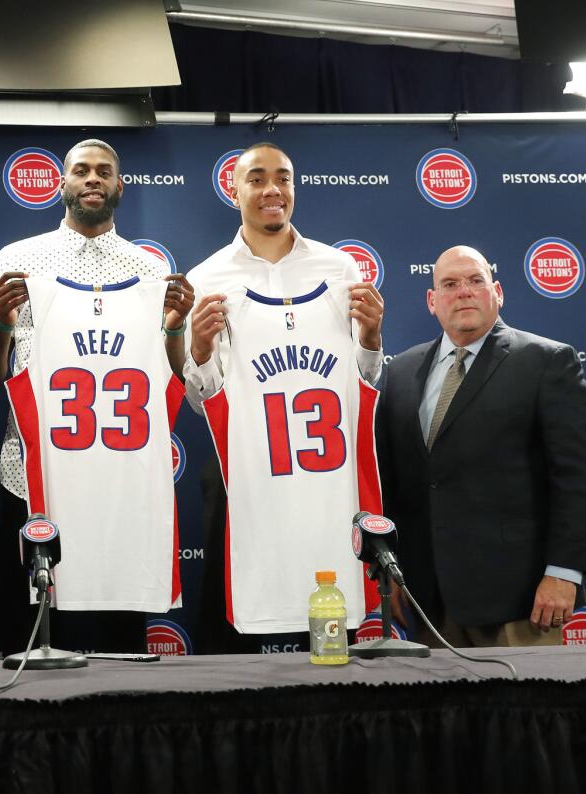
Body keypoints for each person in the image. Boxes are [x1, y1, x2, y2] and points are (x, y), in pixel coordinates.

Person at [0, 138, 195, 654]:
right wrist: (4, 324)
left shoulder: (147, 270)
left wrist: (174, 328)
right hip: (33, 481)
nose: (92, 178)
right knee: (31, 650)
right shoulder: (19, 259)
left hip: (121, 488)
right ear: (62, 184)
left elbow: (171, 383)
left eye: (104, 171)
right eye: (81, 170)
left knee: (117, 653)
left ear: (120, 186)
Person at [183, 142, 385, 654]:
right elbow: (201, 399)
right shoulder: (206, 279)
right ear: (234, 191)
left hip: (329, 490)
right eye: (257, 179)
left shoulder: (340, 270)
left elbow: (364, 384)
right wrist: (202, 350)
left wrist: (372, 340)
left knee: (337, 639)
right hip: (253, 488)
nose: (272, 189)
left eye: (283, 178)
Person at [375, 244, 586, 647]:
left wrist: (564, 573)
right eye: (449, 283)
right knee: (439, 713)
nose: (463, 291)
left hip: (521, 603)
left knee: (528, 711)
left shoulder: (547, 362)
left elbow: (579, 479)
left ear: (497, 292)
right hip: (429, 602)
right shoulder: (401, 371)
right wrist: (389, 573)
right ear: (432, 301)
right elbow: (394, 485)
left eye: (475, 280)